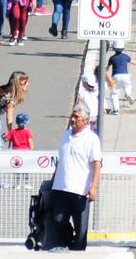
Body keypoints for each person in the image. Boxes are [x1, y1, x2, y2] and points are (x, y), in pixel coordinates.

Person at [45, 107, 102, 251]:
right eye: (72, 116)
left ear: (85, 121)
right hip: (61, 187)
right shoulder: (65, 135)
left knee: (81, 230)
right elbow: (61, 161)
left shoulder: (91, 139)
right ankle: (69, 244)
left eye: (77, 117)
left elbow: (96, 164)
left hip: (80, 190)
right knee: (58, 220)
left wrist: (93, 187)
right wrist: (53, 180)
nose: (73, 120)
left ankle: (78, 250)